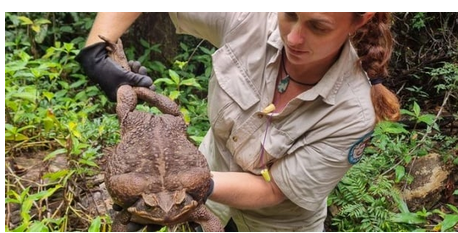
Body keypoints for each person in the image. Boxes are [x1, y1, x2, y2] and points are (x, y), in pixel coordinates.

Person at [76, 12, 400, 231]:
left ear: (359, 21)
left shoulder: (354, 113)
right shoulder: (250, 18)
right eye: (290, 14)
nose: (295, 37)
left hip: (275, 222)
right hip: (201, 197)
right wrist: (96, 54)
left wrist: (193, 184)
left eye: (318, 27)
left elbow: (275, 190)